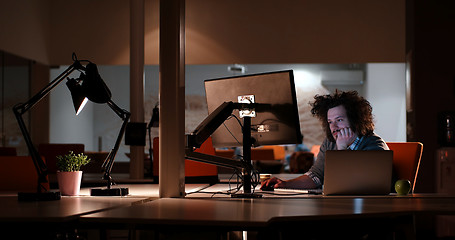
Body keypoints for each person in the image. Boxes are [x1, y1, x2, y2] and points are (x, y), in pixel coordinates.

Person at [261, 90, 389, 190]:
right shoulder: (330, 142)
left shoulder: (375, 146)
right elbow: (316, 176)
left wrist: (342, 150)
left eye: (339, 120)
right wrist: (285, 184)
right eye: (330, 122)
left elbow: (347, 185)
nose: (333, 127)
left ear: (355, 120)